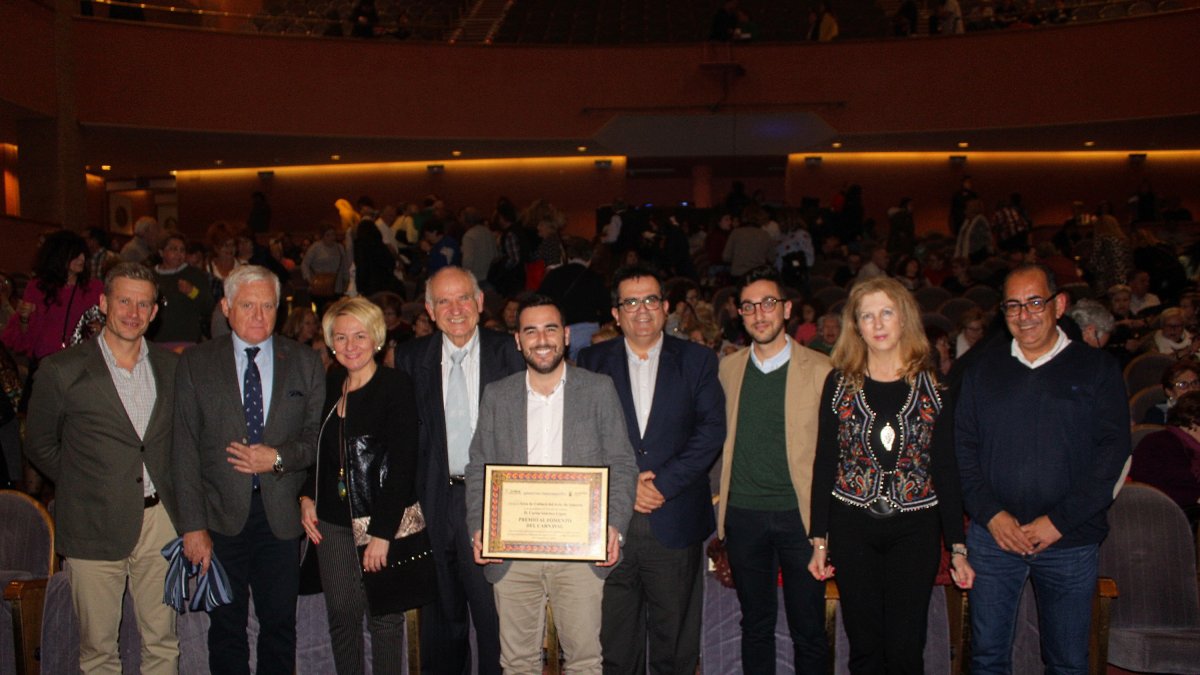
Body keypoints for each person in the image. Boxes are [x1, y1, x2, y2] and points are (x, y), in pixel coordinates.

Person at [955, 263, 1130, 674]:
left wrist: (1058, 522)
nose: (1025, 314)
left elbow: (1114, 456)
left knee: (1067, 662)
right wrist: (992, 517)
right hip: (994, 540)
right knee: (986, 659)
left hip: (1069, 541)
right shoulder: (982, 371)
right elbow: (961, 449)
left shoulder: (1097, 370)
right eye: (1013, 306)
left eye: (1035, 302)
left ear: (1059, 305)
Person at [807, 277, 974, 673]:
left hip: (915, 529)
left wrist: (958, 547)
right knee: (864, 646)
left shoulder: (933, 386)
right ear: (857, 326)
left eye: (886, 312)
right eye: (867, 316)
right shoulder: (839, 383)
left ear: (904, 319)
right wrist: (819, 538)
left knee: (905, 647)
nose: (878, 324)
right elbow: (825, 461)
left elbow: (946, 469)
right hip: (851, 526)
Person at [464, 294, 638, 674]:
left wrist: (615, 529)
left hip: (579, 551)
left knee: (585, 662)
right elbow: (478, 466)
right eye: (531, 330)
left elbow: (623, 463)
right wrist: (480, 528)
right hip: (513, 553)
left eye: (550, 329)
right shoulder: (497, 395)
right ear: (517, 340)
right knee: (517, 663)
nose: (541, 339)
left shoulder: (598, 390)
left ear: (566, 334)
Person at [24, 262, 180, 674]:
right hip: (91, 522)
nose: (133, 311)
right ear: (103, 302)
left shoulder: (172, 369)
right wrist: (84, 483)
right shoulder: (62, 370)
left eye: (143, 303)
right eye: (124, 300)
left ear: (155, 311)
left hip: (159, 523)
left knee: (163, 643)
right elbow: (38, 443)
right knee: (98, 652)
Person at [173, 265, 325, 674]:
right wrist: (192, 525)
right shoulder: (196, 363)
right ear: (226, 308)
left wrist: (276, 458)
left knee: (279, 626)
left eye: (268, 306)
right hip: (220, 518)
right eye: (247, 305)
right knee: (226, 627)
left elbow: (317, 439)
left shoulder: (306, 362)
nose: (258, 315)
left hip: (280, 519)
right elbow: (183, 447)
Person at [576, 265, 726, 675]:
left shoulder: (697, 360)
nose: (641, 310)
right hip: (611, 524)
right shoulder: (590, 362)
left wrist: (663, 483)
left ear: (664, 307)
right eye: (630, 302)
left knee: (674, 644)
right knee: (615, 644)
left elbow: (711, 431)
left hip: (673, 516)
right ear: (616, 312)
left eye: (650, 300)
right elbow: (580, 436)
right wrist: (627, 486)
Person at [391, 266, 525, 675]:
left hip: (492, 502)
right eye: (444, 301)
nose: (455, 309)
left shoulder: (511, 352)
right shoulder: (412, 357)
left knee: (493, 622)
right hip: (434, 501)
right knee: (439, 624)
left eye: (463, 298)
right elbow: (402, 435)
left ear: (481, 302)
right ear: (429, 310)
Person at [299, 297, 432, 674]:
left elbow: (404, 464)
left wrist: (382, 532)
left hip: (378, 521)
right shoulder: (332, 381)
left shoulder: (395, 386)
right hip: (331, 521)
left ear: (376, 338)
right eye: (340, 337)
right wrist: (307, 494)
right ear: (330, 342)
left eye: (359, 335)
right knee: (341, 615)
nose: (350, 345)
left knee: (384, 616)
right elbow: (321, 448)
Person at [716, 267, 833, 674]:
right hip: (744, 515)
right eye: (749, 306)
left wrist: (826, 525)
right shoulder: (727, 370)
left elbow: (833, 454)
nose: (759, 314)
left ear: (786, 309)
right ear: (740, 315)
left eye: (768, 304)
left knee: (809, 629)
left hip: (800, 518)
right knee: (756, 626)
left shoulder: (821, 370)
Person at [1, 229, 104, 375]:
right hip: (46, 365)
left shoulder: (94, 288)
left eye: (83, 254)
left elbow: (108, 325)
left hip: (82, 365)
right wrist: (24, 318)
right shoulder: (37, 287)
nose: (81, 258)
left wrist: (101, 328)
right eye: (75, 254)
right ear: (59, 256)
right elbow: (25, 338)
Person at [1129, 391, 1200, 529]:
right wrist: (1195, 497)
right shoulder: (1157, 443)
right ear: (1193, 422)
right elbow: (1149, 491)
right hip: (1169, 518)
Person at [539, 236, 611, 359]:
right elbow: (606, 307)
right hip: (588, 330)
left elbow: (541, 301)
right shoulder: (594, 278)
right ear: (589, 258)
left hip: (559, 328)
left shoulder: (554, 276)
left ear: (568, 256)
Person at [150, 234, 213, 347]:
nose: (179, 254)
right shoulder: (150, 276)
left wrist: (192, 292)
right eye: (173, 249)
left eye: (182, 250)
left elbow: (208, 307)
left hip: (187, 340)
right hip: (156, 341)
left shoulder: (194, 275)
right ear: (161, 252)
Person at [1141, 360, 1198, 425]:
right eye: (1183, 385)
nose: (1192, 389)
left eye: (1195, 383)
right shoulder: (1157, 415)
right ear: (1169, 392)